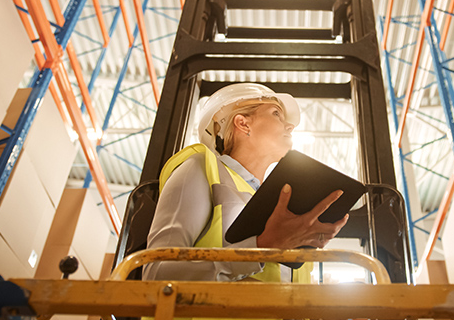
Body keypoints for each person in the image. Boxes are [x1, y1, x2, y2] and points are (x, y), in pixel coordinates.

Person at [142, 83, 348, 282]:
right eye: (277, 113)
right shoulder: (201, 168)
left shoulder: (280, 205)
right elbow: (157, 273)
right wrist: (262, 248)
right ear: (243, 123)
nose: (290, 126)